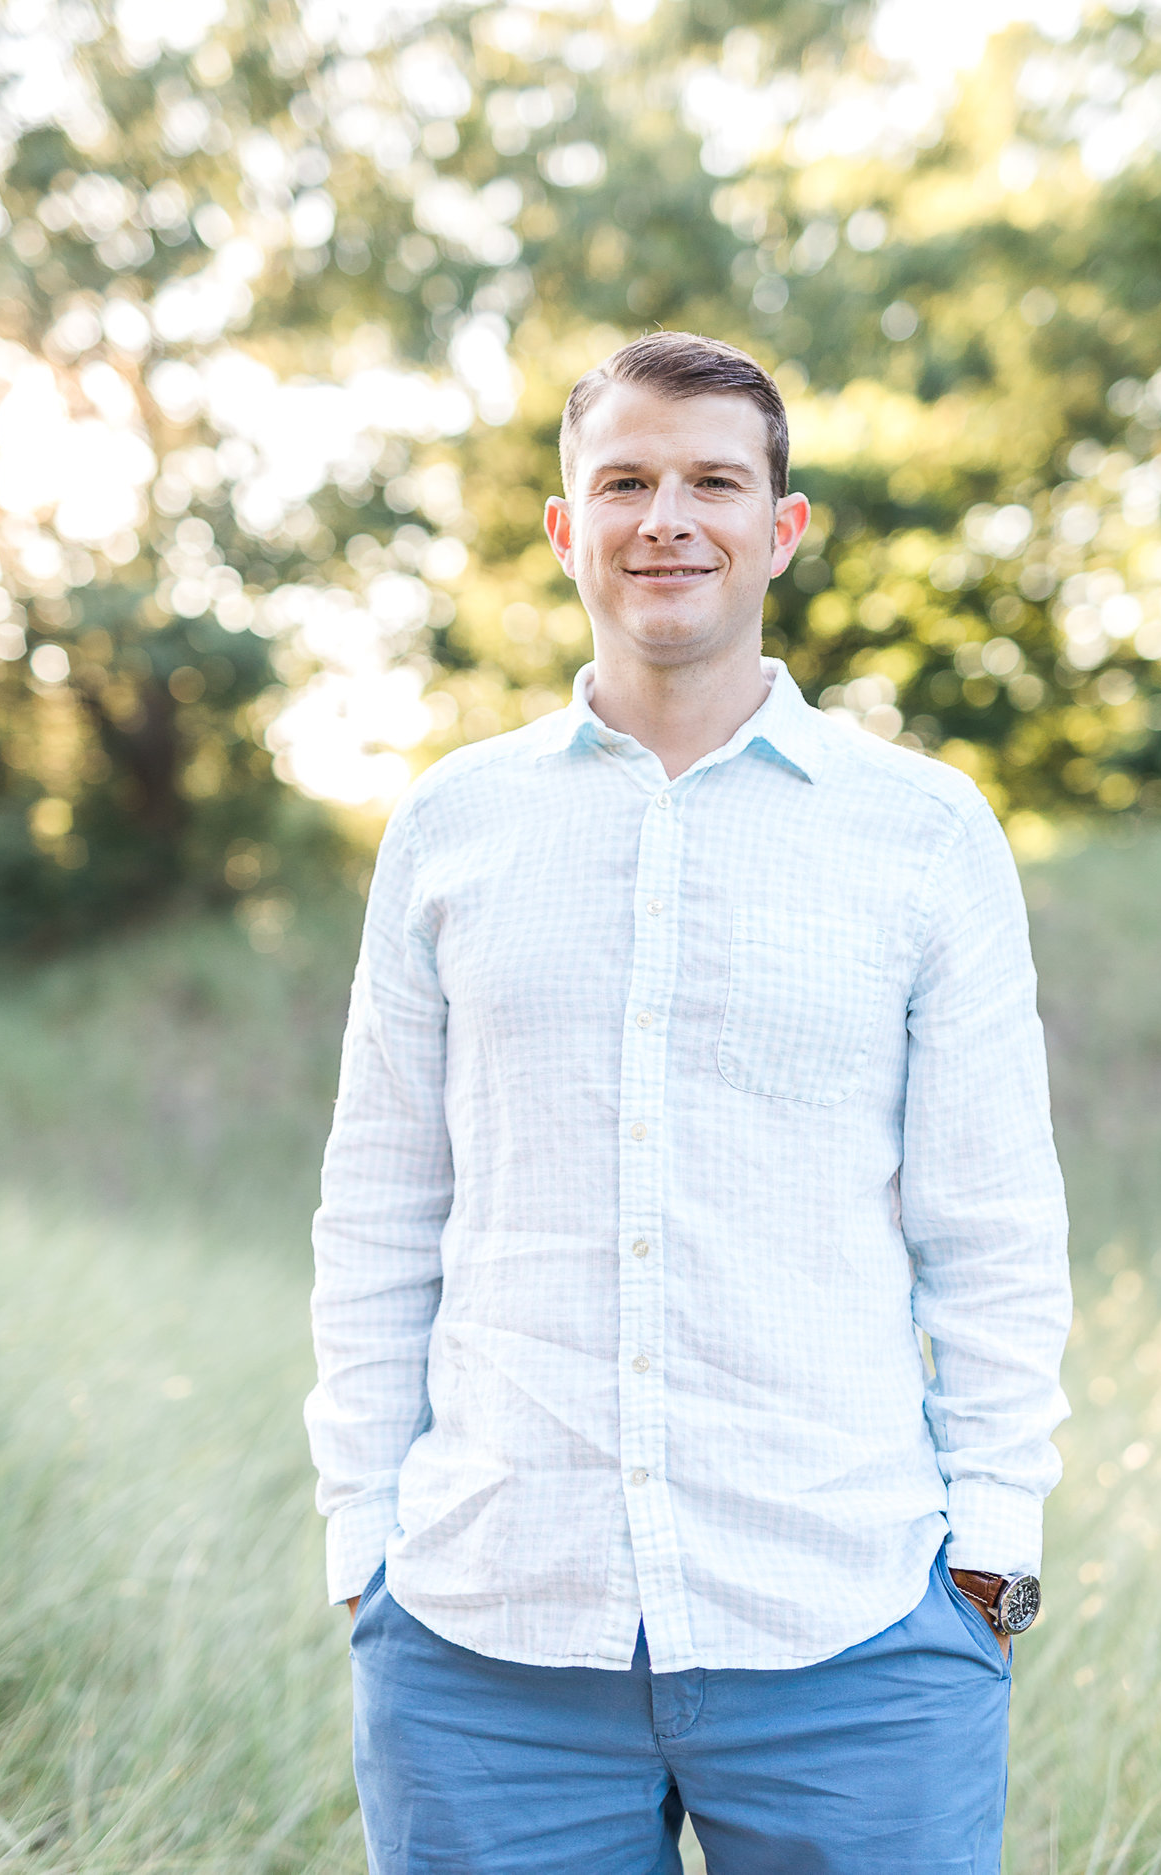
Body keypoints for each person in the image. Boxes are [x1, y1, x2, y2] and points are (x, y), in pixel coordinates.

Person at [304, 331, 1070, 1872]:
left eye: (715, 480)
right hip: (483, 1631)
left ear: (779, 528)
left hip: (851, 1621)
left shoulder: (922, 832)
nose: (669, 517)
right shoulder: (452, 827)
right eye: (627, 480)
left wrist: (992, 1554)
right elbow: (382, 1204)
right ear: (565, 527)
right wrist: (361, 1542)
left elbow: (992, 1224)